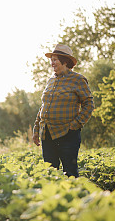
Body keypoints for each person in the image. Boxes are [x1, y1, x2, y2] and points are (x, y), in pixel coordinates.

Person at [32, 44, 94, 177]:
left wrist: (75, 124)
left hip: (67, 134)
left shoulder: (78, 79)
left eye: (55, 60)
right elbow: (43, 106)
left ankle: (73, 196)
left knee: (70, 173)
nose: (52, 63)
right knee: (49, 173)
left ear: (65, 61)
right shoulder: (50, 80)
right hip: (47, 134)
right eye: (51, 59)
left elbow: (89, 104)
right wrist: (36, 130)